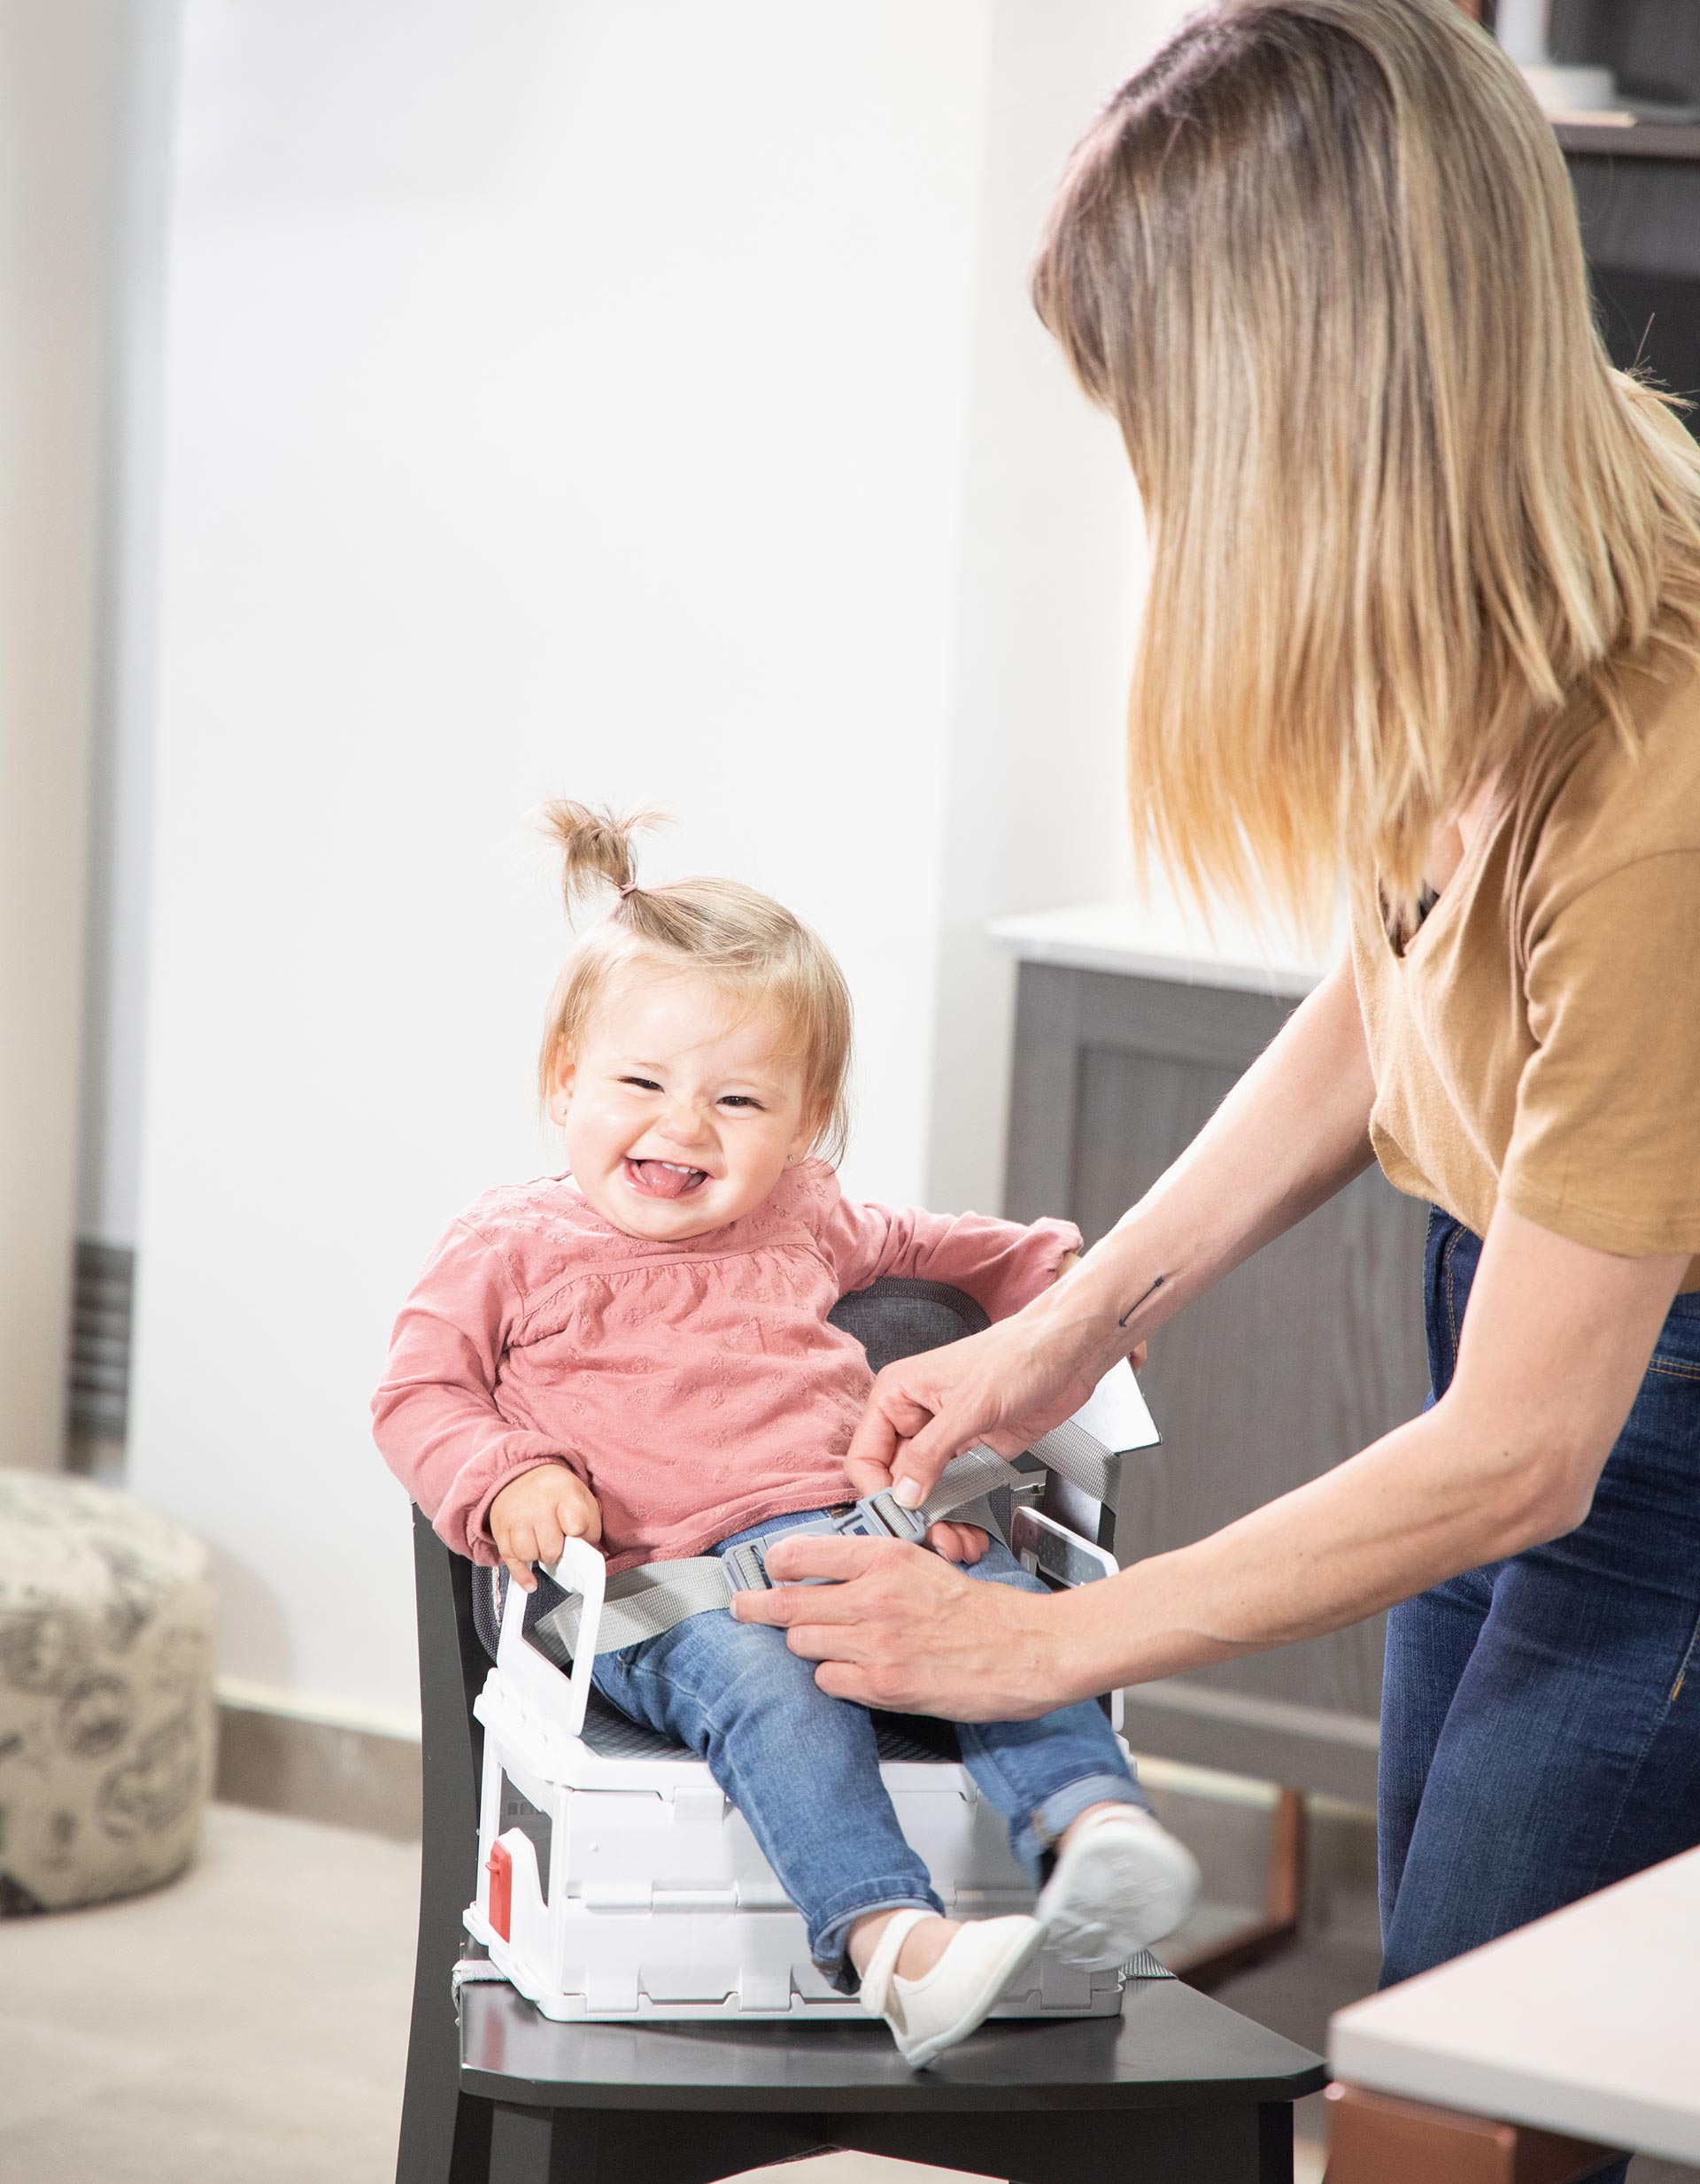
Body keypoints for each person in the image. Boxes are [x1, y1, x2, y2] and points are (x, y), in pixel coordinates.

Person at [732, 5, 1700, 2169]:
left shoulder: (1670, 768)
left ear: (1308, 405)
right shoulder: (1501, 585)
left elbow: (1533, 1454)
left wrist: (1029, 1641)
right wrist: (1077, 1316)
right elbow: (1406, 981)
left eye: (1164, 419)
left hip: (1642, 1451)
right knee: (1435, 2016)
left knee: (1459, 2103)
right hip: (1518, 1359)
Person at [372, 802, 1198, 2066]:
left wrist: (1057, 1279)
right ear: (564, 1083)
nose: (682, 1126)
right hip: (661, 1597)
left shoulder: (807, 1213)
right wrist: (509, 1471)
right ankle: (894, 1945)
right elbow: (417, 1396)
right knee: (777, 1694)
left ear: (804, 1123)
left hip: (849, 1541)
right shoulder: (510, 1245)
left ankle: (1092, 1832)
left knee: (1015, 1619)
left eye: (738, 1099)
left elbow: (938, 1249)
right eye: (640, 1083)